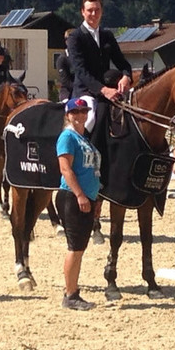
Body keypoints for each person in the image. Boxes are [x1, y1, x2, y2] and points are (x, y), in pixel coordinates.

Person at [55, 98, 101, 311]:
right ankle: (70, 293)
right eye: (76, 112)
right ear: (68, 114)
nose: (80, 115)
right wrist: (81, 195)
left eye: (83, 111)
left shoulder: (84, 138)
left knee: (80, 247)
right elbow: (66, 169)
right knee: (75, 247)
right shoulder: (67, 137)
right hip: (72, 197)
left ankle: (73, 291)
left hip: (86, 197)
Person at [66, 0, 132, 131]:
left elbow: (122, 63)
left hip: (110, 90)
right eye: (90, 10)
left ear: (102, 12)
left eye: (97, 10)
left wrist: (126, 76)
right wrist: (103, 90)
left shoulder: (107, 35)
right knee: (89, 121)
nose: (94, 14)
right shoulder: (75, 37)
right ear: (83, 12)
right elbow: (81, 71)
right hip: (86, 91)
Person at [55, 29, 74, 102]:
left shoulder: (83, 57)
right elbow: (66, 81)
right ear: (66, 41)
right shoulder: (62, 59)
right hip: (68, 91)